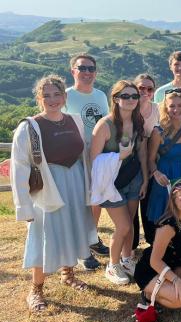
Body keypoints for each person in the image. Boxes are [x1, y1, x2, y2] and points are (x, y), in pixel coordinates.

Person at [11, 75, 97, 312]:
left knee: (70, 228)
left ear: (64, 96)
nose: (52, 99)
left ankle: (68, 274)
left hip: (75, 183)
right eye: (46, 95)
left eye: (57, 94)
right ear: (39, 98)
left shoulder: (76, 121)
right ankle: (36, 288)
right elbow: (19, 167)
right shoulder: (30, 127)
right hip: (47, 188)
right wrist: (25, 206)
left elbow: (84, 155)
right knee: (44, 235)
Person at [90, 80, 148, 285]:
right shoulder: (105, 125)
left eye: (134, 96)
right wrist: (119, 157)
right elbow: (93, 160)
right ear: (115, 99)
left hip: (134, 179)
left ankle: (126, 259)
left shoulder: (138, 121)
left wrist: (145, 179)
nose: (131, 100)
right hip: (111, 184)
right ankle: (113, 265)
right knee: (123, 226)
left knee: (130, 224)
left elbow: (142, 152)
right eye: (125, 96)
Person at [62, 53, 109, 270]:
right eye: (82, 68)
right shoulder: (65, 96)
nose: (87, 72)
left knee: (95, 200)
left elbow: (107, 124)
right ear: (73, 71)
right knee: (79, 202)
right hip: (74, 157)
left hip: (98, 155)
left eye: (91, 69)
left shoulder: (100, 96)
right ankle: (80, 248)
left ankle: (92, 238)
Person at [134, 180, 181, 309]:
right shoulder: (167, 226)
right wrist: (176, 280)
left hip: (172, 264)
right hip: (150, 270)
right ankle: (147, 294)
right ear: (174, 201)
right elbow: (155, 261)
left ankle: (168, 284)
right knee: (180, 300)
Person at [146, 91, 181, 243]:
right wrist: (155, 173)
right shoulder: (158, 132)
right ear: (166, 109)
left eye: (180, 105)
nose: (176, 109)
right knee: (164, 215)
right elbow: (150, 159)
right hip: (165, 178)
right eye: (172, 106)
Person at [132, 74, 160, 252]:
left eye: (149, 89)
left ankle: (152, 240)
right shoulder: (128, 109)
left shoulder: (158, 109)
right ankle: (132, 244)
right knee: (132, 205)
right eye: (141, 88)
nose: (145, 92)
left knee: (150, 203)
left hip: (152, 162)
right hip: (131, 164)